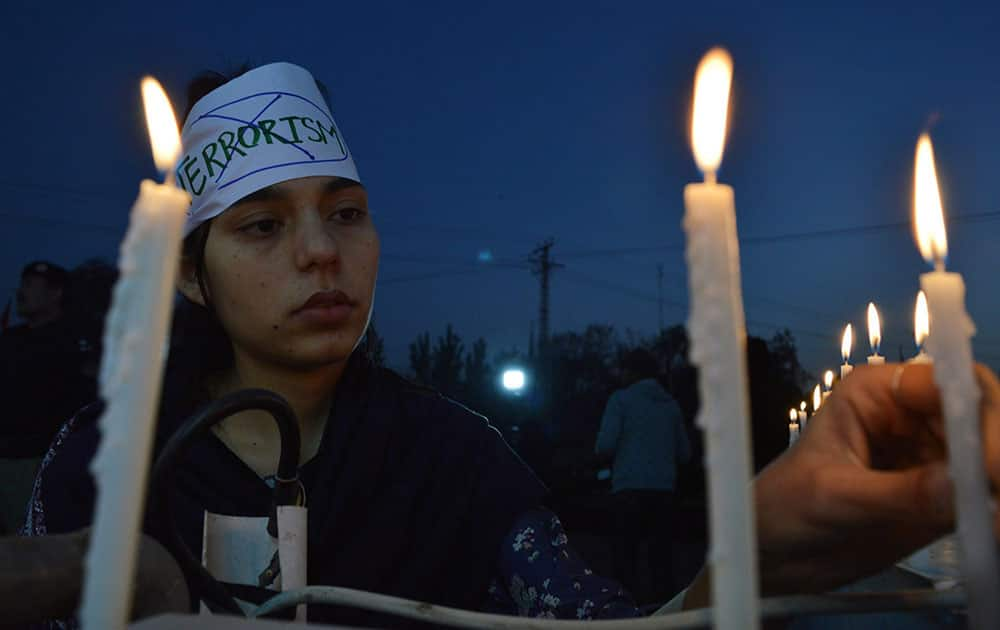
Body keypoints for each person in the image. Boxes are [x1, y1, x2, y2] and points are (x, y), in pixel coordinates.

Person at [21, 61, 1000, 627]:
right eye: (264, 227)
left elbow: (593, 622)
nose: (322, 251)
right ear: (189, 273)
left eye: (347, 212)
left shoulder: (452, 457)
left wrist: (751, 568)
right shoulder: (107, 464)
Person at [0, 261, 94, 535]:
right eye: (22, 283)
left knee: (31, 547)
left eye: (30, 285)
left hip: (37, 463)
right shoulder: (10, 340)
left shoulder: (75, 342)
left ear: (55, 293)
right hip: (4, 456)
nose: (21, 292)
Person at [595, 348, 690, 602]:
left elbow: (604, 446)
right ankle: (665, 614)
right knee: (661, 559)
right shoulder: (671, 405)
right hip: (664, 491)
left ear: (632, 372)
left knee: (625, 558)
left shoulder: (621, 400)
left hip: (628, 488)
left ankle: (626, 613)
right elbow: (685, 452)